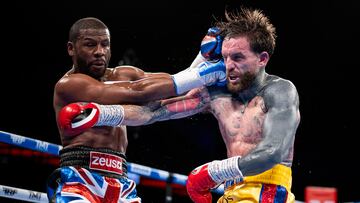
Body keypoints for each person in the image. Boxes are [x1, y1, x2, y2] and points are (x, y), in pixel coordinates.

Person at [61, 7, 300, 202]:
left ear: (262, 59)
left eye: (237, 58)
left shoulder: (279, 91)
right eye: (225, 57)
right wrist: (102, 114)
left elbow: (273, 151)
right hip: (232, 192)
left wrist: (214, 172)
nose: (228, 66)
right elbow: (153, 112)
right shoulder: (216, 93)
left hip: (269, 191)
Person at [46, 17, 226, 203]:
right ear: (71, 49)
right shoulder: (69, 85)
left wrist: (204, 56)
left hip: (120, 182)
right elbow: (137, 92)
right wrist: (205, 73)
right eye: (90, 45)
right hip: (81, 179)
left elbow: (173, 82)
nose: (99, 52)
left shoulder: (124, 74)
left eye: (105, 45)